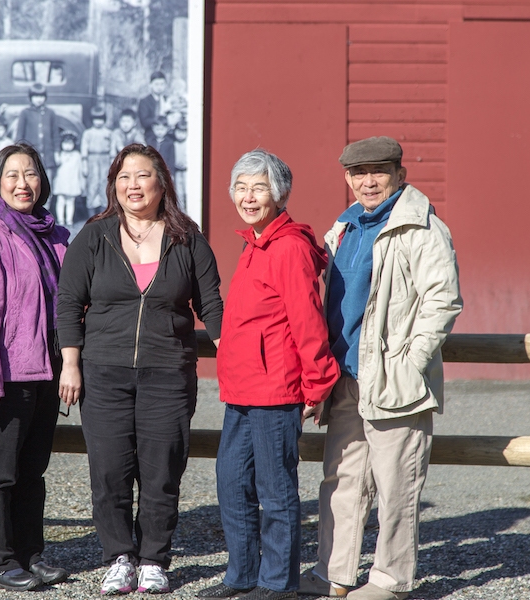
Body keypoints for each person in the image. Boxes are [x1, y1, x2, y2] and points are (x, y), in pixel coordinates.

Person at [298, 137, 462, 600]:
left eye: (378, 171)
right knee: (342, 481)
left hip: (394, 380)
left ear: (399, 174)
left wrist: (411, 363)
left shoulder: (421, 227)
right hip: (346, 377)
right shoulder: (344, 227)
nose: (368, 181)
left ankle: (390, 581)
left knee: (397, 487)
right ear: (347, 178)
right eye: (358, 173)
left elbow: (443, 299)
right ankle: (333, 574)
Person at [57, 144, 224, 595]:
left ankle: (153, 558)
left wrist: (230, 353)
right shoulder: (95, 236)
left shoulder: (187, 238)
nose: (133, 185)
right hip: (103, 372)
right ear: (114, 184)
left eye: (143, 175)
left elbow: (211, 304)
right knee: (110, 471)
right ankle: (118, 557)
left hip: (167, 373)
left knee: (161, 471)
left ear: (161, 182)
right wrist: (70, 363)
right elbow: (69, 303)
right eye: (124, 176)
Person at [197, 150, 340, 600]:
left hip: (275, 391)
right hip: (241, 389)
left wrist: (317, 385)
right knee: (232, 483)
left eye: (258, 187)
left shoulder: (289, 247)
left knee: (275, 491)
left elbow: (307, 321)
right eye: (240, 187)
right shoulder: (255, 243)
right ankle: (243, 574)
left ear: (279, 194)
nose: (247, 196)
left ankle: (277, 584)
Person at [0, 143, 70, 592]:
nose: (23, 183)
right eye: (12, 176)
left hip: (49, 370)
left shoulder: (58, 237)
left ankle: (30, 555)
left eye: (30, 174)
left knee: (32, 472)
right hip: (8, 375)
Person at [15, 83, 61, 186]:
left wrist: (57, 152)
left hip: (48, 157)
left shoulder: (51, 113)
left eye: (41, 96)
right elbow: (19, 136)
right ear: (31, 98)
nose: (38, 99)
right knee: (30, 183)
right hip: (30, 156)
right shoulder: (25, 113)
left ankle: (47, 202)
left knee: (47, 184)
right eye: (35, 96)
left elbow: (55, 135)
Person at [81, 106, 112, 218]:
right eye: (96, 119)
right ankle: (91, 216)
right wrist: (84, 164)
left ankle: (104, 215)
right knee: (92, 186)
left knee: (104, 186)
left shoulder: (108, 133)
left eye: (101, 119)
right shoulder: (88, 133)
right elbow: (84, 149)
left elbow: (112, 149)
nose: (98, 122)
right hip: (91, 160)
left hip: (105, 160)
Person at [54, 131, 83, 226]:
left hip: (72, 181)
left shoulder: (77, 155)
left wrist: (81, 181)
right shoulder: (60, 155)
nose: (67, 146)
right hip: (62, 181)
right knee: (61, 200)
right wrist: (56, 155)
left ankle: (69, 219)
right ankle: (61, 219)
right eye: (65, 143)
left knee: (70, 201)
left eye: (70, 143)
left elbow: (80, 169)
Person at [137, 71, 171, 141]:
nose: (159, 87)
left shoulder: (168, 99)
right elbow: (144, 122)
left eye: (162, 84)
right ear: (150, 85)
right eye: (156, 84)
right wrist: (165, 119)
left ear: (165, 85)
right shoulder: (144, 101)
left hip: (167, 136)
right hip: (151, 136)